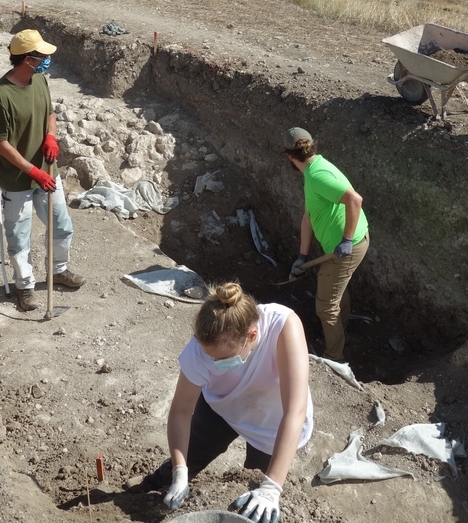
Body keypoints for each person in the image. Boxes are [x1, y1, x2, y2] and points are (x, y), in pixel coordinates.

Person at [151, 281, 312, 523]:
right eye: (210, 357)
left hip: (271, 420)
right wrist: (180, 470)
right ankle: (154, 485)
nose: (215, 364)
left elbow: (294, 411)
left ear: (252, 336)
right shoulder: (200, 348)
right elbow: (181, 411)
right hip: (222, 405)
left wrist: (271, 487)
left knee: (258, 480)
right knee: (192, 452)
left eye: (223, 358)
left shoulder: (283, 326)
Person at [0, 29, 85, 311]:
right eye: (42, 56)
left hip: (47, 172)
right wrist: (33, 171)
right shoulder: (0, 95)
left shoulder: (39, 80)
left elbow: (49, 113)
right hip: (17, 179)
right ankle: (25, 286)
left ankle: (57, 270)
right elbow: (0, 143)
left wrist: (51, 136)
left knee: (61, 226)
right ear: (28, 59)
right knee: (19, 237)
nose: (47, 59)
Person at [284, 128, 369, 363]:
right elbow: (308, 217)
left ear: (289, 156)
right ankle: (340, 333)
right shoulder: (315, 169)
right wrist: (302, 256)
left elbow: (355, 199)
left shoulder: (316, 176)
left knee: (325, 307)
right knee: (336, 291)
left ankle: (334, 359)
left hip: (345, 247)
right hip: (347, 243)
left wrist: (346, 240)